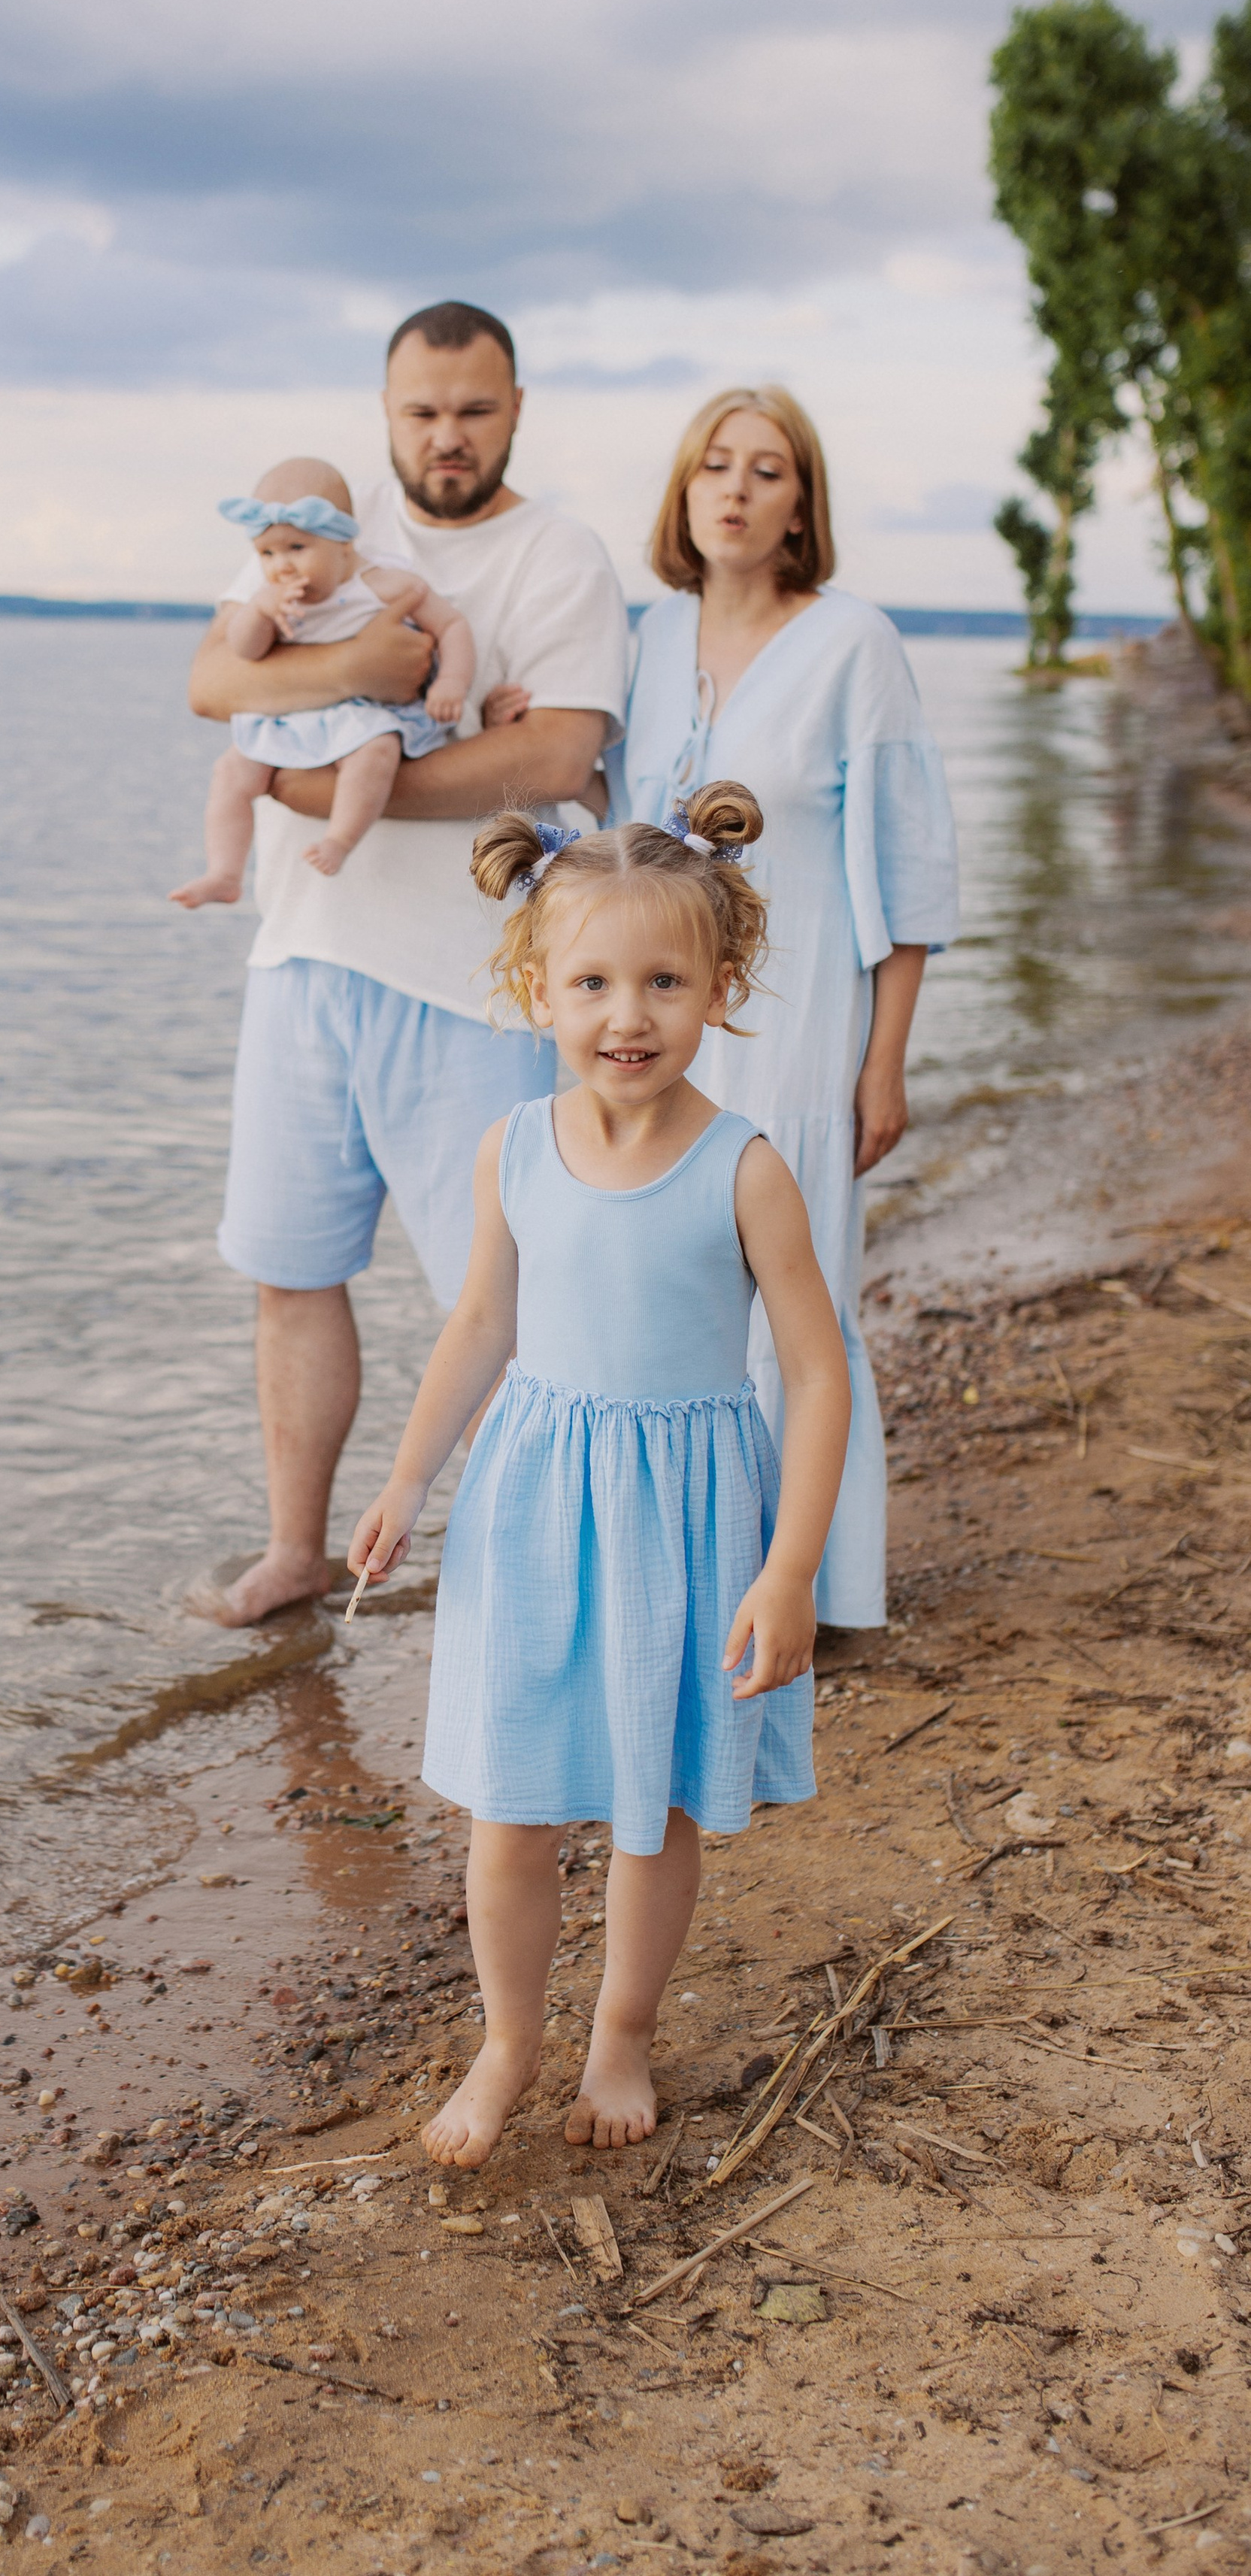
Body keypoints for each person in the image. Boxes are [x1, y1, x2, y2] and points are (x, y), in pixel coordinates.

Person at [347, 789, 851, 2168]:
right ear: (537, 989)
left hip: (686, 1518)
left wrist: (790, 1566)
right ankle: (508, 2041)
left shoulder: (742, 1173)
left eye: (664, 982)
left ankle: (621, 2029)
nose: (627, 1015)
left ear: (722, 989)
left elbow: (816, 1374)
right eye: (592, 982)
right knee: (507, 1807)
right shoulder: (512, 1149)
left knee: (653, 1801)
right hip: (530, 1508)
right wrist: (403, 1482)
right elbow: (480, 1327)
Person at [183, 301, 629, 1630]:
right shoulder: (326, 528)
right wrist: (359, 674)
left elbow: (556, 759)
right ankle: (297, 1553)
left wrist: (332, 781)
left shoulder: (560, 557)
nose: (447, 436)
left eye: (474, 410)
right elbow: (212, 679)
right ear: (386, 415)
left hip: (477, 985)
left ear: (515, 410)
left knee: (500, 1304)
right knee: (289, 1270)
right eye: (422, 412)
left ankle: (522, 1578)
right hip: (305, 962)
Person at [610, 388, 958, 1632]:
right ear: (685, 491)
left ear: (801, 503)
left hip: (807, 1022)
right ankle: (700, 1581)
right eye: (717, 466)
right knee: (671, 1291)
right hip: (660, 1033)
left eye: (768, 471)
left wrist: (886, 1062)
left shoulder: (854, 642)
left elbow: (911, 870)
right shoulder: (647, 636)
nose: (738, 489)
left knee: (802, 1306)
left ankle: (820, 1588)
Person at [169, 457, 475, 905]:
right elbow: (245, 650)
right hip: (296, 713)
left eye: (297, 548)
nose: (281, 567)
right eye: (267, 554)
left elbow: (452, 627)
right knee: (231, 771)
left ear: (344, 545)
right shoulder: (269, 596)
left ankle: (341, 839)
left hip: (368, 711)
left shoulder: (384, 584)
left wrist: (452, 681)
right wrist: (260, 612)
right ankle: (225, 871)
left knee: (375, 753)